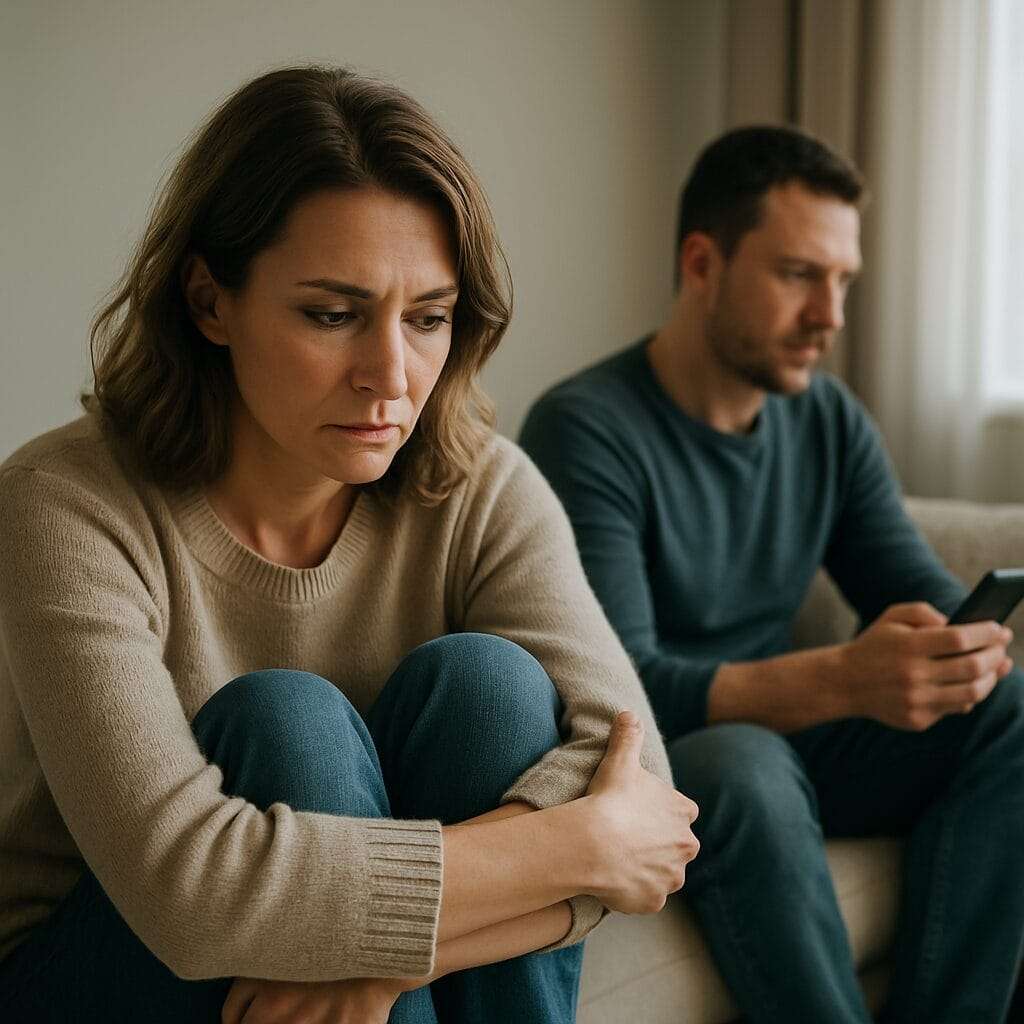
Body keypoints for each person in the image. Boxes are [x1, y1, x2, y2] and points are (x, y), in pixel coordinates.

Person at [0, 66, 700, 1024]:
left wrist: (369, 970)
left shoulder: (479, 485)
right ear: (210, 302)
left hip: (271, 969)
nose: (390, 377)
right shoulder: (62, 504)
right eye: (332, 315)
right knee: (287, 719)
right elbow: (193, 900)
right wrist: (574, 848)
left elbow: (638, 782)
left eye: (427, 319)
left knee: (488, 689)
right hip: (84, 967)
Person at [520, 125, 1024, 1023]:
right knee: (745, 763)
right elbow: (622, 694)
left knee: (1014, 710)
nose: (830, 316)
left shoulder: (825, 419)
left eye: (842, 282)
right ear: (703, 262)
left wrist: (964, 651)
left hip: (799, 747)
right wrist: (840, 676)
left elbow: (921, 595)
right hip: (671, 759)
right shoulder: (585, 428)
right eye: (799, 275)